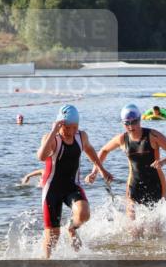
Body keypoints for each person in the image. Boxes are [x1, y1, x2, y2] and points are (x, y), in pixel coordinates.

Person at [36, 104, 113, 258]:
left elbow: (89, 150)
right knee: (53, 235)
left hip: (72, 186)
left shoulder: (81, 136)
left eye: (74, 127)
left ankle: (71, 228)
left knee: (84, 214)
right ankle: (47, 265)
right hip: (52, 190)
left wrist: (101, 169)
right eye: (67, 127)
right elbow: (41, 156)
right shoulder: (52, 139)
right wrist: (53, 131)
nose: (71, 131)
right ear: (59, 124)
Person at [90, 104, 166, 222]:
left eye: (134, 122)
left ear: (140, 120)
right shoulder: (122, 139)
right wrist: (95, 172)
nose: (131, 126)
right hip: (134, 184)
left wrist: (163, 162)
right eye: (127, 123)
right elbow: (103, 151)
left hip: (156, 184)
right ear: (123, 123)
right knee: (131, 226)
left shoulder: (153, 135)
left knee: (156, 227)